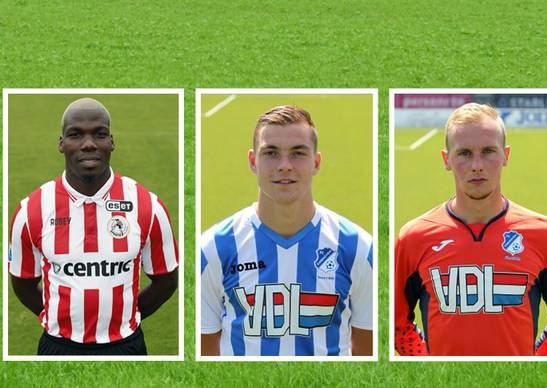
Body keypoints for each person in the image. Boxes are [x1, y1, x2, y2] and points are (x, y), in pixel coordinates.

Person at [9, 97, 179, 356]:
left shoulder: (148, 205)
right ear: (61, 144)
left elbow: (166, 280)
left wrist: (126, 316)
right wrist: (55, 316)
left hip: (127, 346)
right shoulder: (31, 209)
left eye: (99, 134)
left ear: (111, 142)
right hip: (58, 347)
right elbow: (22, 282)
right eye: (76, 135)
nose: (88, 144)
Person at [394, 102, 547, 356]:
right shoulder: (413, 238)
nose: (477, 165)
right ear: (447, 160)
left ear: (505, 155)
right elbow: (397, 325)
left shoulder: (544, 234)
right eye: (464, 153)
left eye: (488, 151)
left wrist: (533, 366)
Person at [200, 105, 373, 357]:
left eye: (297, 153)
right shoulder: (214, 248)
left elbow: (364, 355)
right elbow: (207, 355)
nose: (284, 165)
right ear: (252, 161)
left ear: (316, 162)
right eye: (270, 153)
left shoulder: (357, 247)